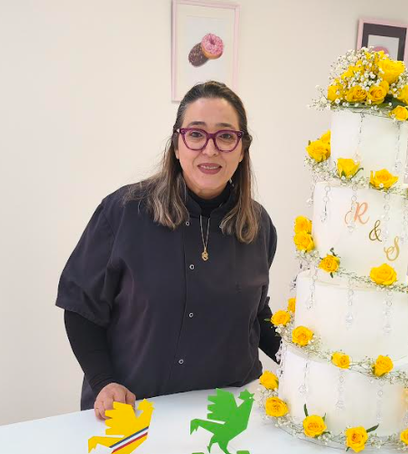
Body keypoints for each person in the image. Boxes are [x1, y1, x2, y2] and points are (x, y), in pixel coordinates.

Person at [56, 81, 281, 420]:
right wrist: (104, 381)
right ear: (177, 145)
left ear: (242, 149)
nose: (210, 150)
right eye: (196, 134)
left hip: (228, 411)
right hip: (134, 411)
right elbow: (81, 308)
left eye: (225, 136)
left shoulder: (258, 225)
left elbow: (256, 314)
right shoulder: (123, 211)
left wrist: (308, 365)